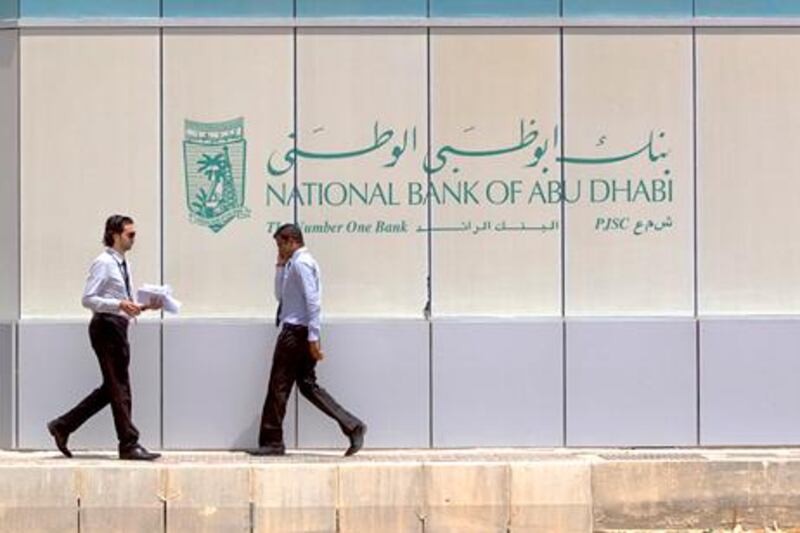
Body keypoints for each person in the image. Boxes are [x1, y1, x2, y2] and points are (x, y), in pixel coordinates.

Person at [47, 215, 162, 461]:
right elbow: (88, 299)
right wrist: (119, 303)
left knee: (112, 389)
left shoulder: (123, 263)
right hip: (106, 328)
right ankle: (128, 444)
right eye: (130, 234)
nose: (134, 239)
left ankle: (63, 425)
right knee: (120, 387)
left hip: (118, 326)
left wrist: (142, 306)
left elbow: (120, 302)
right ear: (115, 235)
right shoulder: (104, 263)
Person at [253, 223, 366, 456]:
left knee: (279, 385)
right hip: (299, 332)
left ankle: (272, 441)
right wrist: (279, 265)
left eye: (279, 244)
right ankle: (352, 426)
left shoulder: (302, 263)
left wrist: (314, 337)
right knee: (307, 385)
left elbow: (313, 301)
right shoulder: (293, 263)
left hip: (295, 333)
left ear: (291, 241)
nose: (278, 249)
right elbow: (280, 296)